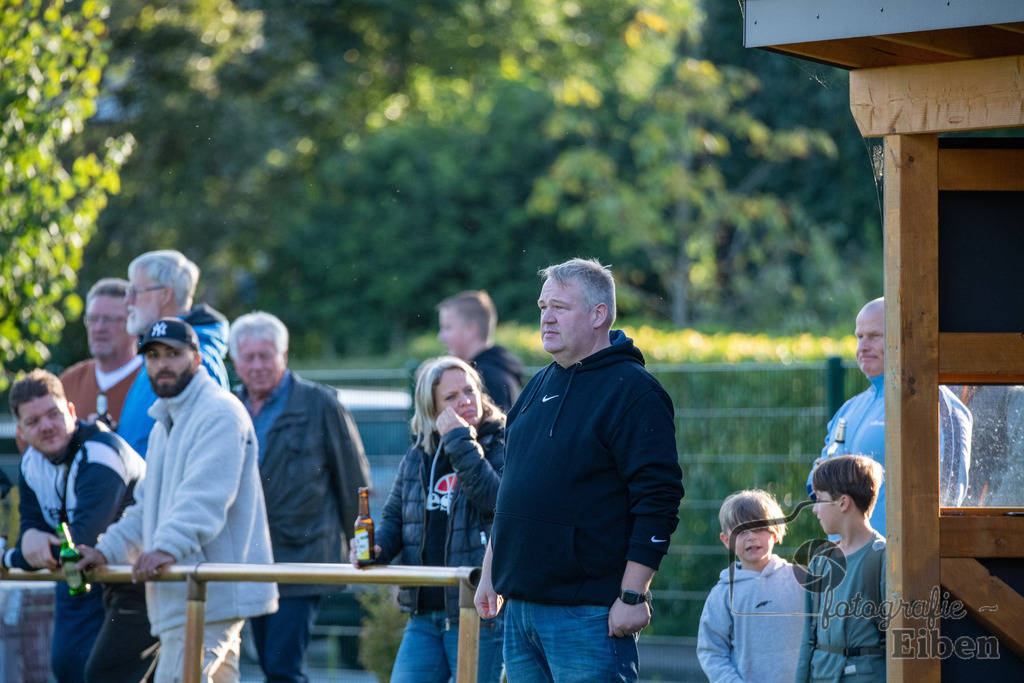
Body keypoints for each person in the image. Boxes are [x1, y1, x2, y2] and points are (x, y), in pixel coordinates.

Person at [475, 258, 685, 682]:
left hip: (588, 616)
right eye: (542, 306)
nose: (546, 317)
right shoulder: (538, 385)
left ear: (598, 314)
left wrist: (633, 594)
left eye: (560, 307)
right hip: (520, 612)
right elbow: (512, 492)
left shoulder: (635, 392)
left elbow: (659, 500)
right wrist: (490, 574)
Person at [76, 318, 278, 683]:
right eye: (153, 355)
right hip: (188, 595)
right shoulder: (164, 424)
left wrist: (166, 547)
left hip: (205, 597)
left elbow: (205, 497)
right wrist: (106, 551)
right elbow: (145, 509)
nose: (162, 364)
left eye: (173, 353)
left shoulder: (219, 412)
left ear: (197, 359)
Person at [229, 311, 371, 683]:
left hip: (301, 557)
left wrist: (365, 549)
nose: (257, 365)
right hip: (242, 558)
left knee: (282, 668)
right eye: (248, 357)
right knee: (250, 664)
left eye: (266, 355)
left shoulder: (319, 404)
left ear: (283, 355)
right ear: (235, 361)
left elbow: (355, 484)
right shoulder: (228, 408)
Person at [352, 356, 506, 683]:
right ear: (431, 410)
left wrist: (459, 440)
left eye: (469, 390)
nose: (465, 401)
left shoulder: (499, 441)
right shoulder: (418, 454)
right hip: (423, 615)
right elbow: (396, 518)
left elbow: (494, 502)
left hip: (476, 611)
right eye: (451, 397)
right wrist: (377, 548)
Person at [4, 369, 148, 683]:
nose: (46, 426)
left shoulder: (101, 452)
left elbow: (81, 544)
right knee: (67, 666)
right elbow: (32, 527)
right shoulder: (31, 463)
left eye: (53, 414)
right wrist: (29, 541)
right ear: (21, 432)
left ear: (71, 411)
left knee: (104, 674)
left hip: (139, 579)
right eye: (33, 421)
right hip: (83, 578)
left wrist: (9, 557)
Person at [812, 297, 972, 533]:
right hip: (845, 554)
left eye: (875, 336)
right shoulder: (848, 409)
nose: (863, 346)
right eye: (859, 337)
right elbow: (815, 486)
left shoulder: (935, 403)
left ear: (903, 337)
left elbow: (949, 495)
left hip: (903, 552)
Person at [117, 249, 231, 458]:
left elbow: (206, 450)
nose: (127, 301)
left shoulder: (196, 361)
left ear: (165, 295)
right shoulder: (159, 355)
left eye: (134, 291)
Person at [697, 489, 803, 683]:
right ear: (726, 540)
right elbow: (711, 652)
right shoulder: (722, 594)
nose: (751, 537)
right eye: (741, 531)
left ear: (775, 532)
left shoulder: (801, 581)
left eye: (759, 528)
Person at [796, 455, 886, 683]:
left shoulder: (884, 558)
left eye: (819, 499)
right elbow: (808, 636)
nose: (814, 509)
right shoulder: (820, 560)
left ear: (843, 503)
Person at [60, 277, 144, 429]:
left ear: (134, 324)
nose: (99, 328)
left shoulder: (152, 381)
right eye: (93, 319)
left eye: (110, 319)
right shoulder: (69, 382)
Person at [437, 290, 524, 411]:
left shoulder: (487, 379)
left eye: (447, 327)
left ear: (471, 329)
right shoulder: (494, 371)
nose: (441, 336)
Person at [951, 385, 1024, 506]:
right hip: (957, 509)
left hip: (986, 512)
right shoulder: (958, 385)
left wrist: (990, 515)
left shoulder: (1015, 389)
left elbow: (1019, 472)